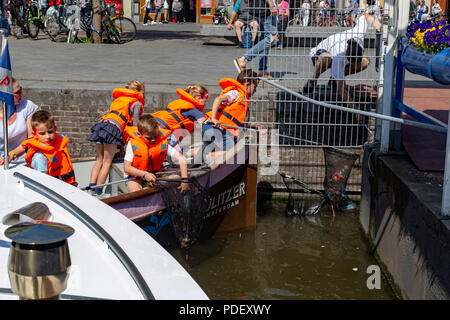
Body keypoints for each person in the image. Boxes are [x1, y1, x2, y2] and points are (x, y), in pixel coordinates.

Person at [302, 11, 382, 119]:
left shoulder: (359, 33)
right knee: (327, 59)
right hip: (322, 52)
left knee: (365, 62)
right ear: (346, 54)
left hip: (339, 57)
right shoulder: (339, 55)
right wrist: (356, 110)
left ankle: (334, 78)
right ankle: (313, 80)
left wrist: (376, 24)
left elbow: (364, 15)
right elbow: (341, 89)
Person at [87, 80, 145, 196]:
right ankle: (98, 192)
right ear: (138, 92)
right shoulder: (136, 103)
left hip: (102, 125)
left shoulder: (118, 100)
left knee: (99, 160)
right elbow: (134, 125)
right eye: (143, 93)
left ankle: (91, 187)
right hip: (113, 129)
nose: (144, 96)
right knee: (107, 162)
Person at [1, 110, 77, 186]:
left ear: (55, 129)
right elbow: (23, 147)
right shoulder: (39, 157)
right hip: (54, 188)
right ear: (34, 134)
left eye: (50, 132)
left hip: (69, 185)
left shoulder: (59, 140)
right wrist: (11, 155)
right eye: (42, 134)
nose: (47, 136)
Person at [123, 114, 189, 193]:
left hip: (156, 175)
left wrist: (185, 180)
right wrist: (144, 174)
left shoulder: (162, 142)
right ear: (139, 134)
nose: (153, 140)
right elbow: (127, 168)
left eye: (155, 136)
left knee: (176, 177)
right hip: (135, 177)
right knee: (135, 190)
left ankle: (157, 191)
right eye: (148, 138)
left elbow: (181, 158)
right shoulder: (132, 144)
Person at [202, 69, 259, 152]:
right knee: (234, 153)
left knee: (217, 155)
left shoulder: (243, 98)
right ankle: (206, 156)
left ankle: (205, 159)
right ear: (247, 84)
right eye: (255, 87)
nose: (255, 90)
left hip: (211, 128)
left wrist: (254, 125)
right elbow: (218, 99)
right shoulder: (236, 93)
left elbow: (237, 121)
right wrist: (214, 118)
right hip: (214, 128)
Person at [233, 0, 279, 78]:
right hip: (267, 12)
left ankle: (262, 71)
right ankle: (244, 59)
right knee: (271, 38)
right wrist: (272, 5)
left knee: (265, 41)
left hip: (262, 11)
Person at [0, 78, 38, 167]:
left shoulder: (28, 106)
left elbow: (32, 139)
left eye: (21, 90)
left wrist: (12, 155)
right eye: (17, 92)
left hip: (25, 163)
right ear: (5, 96)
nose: (21, 94)